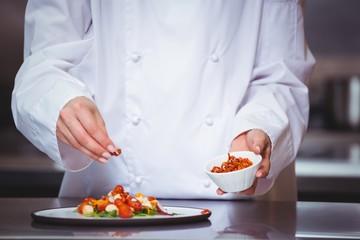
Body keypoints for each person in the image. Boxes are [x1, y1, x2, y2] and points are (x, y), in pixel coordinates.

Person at [11, 0, 315, 199]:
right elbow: (40, 66)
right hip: (111, 205)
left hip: (237, 213)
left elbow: (284, 76)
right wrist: (60, 100)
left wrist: (259, 126)